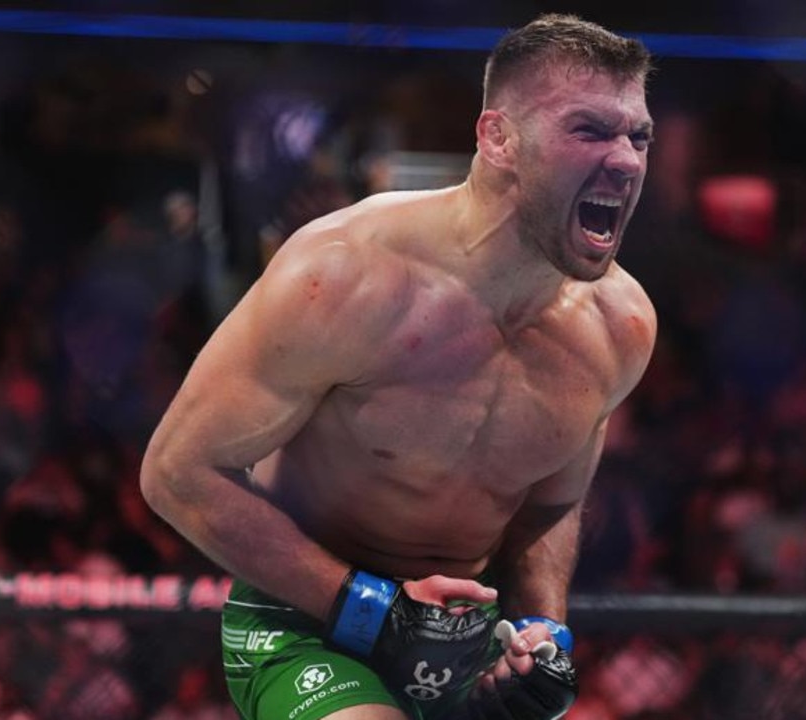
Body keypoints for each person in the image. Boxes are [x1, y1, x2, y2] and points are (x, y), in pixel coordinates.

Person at [140, 14, 656, 720]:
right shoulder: (347, 274)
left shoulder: (619, 326)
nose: (626, 160)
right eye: (590, 130)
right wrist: (370, 610)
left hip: (471, 635)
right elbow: (177, 471)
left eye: (639, 136)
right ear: (498, 138)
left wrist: (544, 635)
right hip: (306, 619)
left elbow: (549, 503)